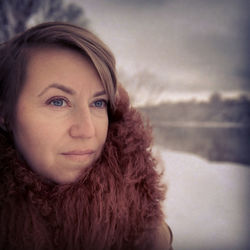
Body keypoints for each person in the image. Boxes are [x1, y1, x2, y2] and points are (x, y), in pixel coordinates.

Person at [0, 22, 173, 250]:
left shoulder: (144, 228)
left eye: (98, 102)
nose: (87, 130)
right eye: (57, 101)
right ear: (5, 115)